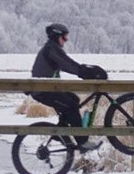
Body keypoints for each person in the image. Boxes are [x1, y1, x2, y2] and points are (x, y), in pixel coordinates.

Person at [30, 23, 108, 152]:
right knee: (71, 106)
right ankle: (82, 142)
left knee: (74, 99)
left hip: (48, 88)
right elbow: (67, 65)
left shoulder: (52, 48)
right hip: (43, 91)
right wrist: (85, 72)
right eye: (64, 37)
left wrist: (86, 70)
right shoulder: (51, 49)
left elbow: (68, 63)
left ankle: (61, 130)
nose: (66, 40)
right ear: (56, 36)